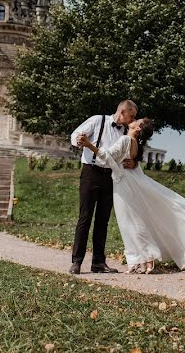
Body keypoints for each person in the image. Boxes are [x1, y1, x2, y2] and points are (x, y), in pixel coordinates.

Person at [82, 118, 185, 274]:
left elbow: (108, 156)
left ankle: (147, 258)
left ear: (138, 129)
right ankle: (139, 260)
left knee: (131, 222)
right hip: (128, 182)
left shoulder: (125, 139)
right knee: (132, 221)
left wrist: (89, 145)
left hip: (124, 184)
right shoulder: (134, 142)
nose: (133, 120)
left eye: (137, 120)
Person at [68, 100, 138, 274]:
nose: (132, 120)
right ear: (123, 111)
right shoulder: (98, 120)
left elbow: (132, 155)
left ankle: (98, 263)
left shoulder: (127, 133)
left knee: (103, 220)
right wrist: (79, 139)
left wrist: (132, 162)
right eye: (132, 115)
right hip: (91, 173)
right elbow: (76, 134)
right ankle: (76, 261)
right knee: (85, 217)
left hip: (111, 177)